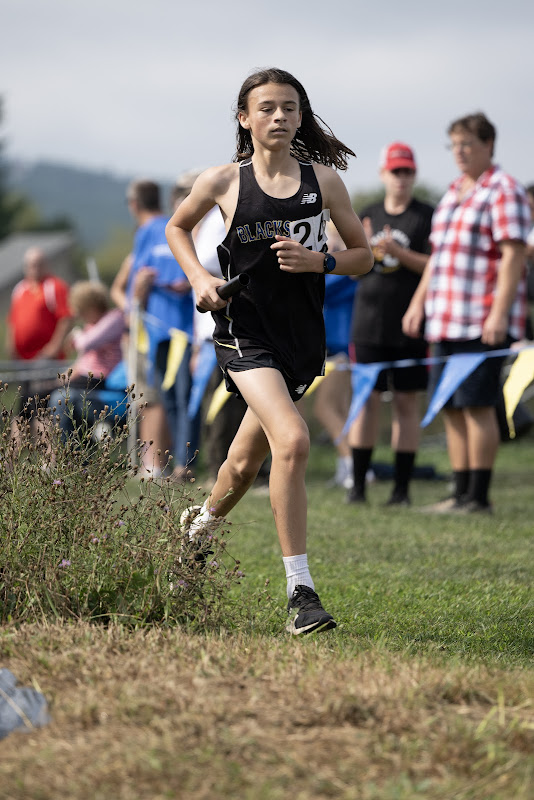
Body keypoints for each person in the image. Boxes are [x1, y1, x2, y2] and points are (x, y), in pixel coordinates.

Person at [165, 67, 373, 635]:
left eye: (289, 108)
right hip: (243, 332)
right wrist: (200, 280)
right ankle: (300, 594)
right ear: (245, 118)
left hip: (303, 343)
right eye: (266, 108)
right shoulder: (223, 182)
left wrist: (322, 261)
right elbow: (176, 228)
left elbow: (365, 256)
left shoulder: (325, 182)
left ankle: (196, 532)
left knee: (242, 462)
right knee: (295, 439)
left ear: (301, 117)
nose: (278, 117)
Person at [403, 112, 530, 513]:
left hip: (481, 319)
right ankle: (459, 493)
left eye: (467, 144)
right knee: (451, 405)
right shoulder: (454, 191)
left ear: (488, 145)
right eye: (454, 145)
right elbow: (438, 258)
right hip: (445, 318)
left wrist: (499, 315)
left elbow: (513, 258)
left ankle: (479, 496)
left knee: (477, 406)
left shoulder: (504, 190)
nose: (459, 152)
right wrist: (418, 302)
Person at [347, 143, 434, 506]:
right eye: (395, 171)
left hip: (410, 326)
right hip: (367, 325)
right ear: (383, 174)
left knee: (405, 403)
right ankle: (359, 487)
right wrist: (365, 251)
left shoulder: (426, 215)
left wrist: (398, 253)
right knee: (365, 402)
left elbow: (435, 264)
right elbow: (352, 270)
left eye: (407, 172)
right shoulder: (365, 213)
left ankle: (401, 489)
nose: (401, 178)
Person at [111, 179, 196, 480]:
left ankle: (183, 463)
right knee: (169, 397)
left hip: (183, 330)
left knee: (181, 397)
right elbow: (135, 285)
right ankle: (175, 464)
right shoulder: (147, 233)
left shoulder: (179, 227)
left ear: (134, 204)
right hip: (156, 331)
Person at [48, 281, 124, 438]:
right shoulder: (91, 326)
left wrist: (75, 334)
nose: (79, 316)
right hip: (87, 376)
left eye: (81, 311)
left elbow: (86, 343)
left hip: (102, 378)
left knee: (51, 395)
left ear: (91, 306)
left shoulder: (113, 319)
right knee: (40, 393)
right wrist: (64, 378)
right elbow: (82, 361)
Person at [312, 221, 356, 489]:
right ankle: (347, 468)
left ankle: (353, 465)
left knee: (325, 408)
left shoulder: (347, 269)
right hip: (337, 343)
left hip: (339, 345)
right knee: (340, 409)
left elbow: (320, 289)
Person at [7, 247, 72, 418]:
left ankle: (46, 444)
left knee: (43, 408)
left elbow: (65, 318)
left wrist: (54, 347)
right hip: (24, 362)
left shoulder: (54, 286)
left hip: (46, 361)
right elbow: (13, 322)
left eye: (38, 264)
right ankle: (23, 444)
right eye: (31, 265)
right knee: (23, 409)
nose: (34, 268)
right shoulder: (20, 289)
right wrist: (11, 347)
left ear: (46, 265)